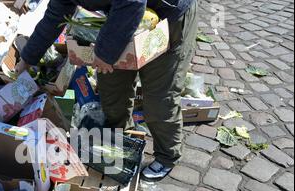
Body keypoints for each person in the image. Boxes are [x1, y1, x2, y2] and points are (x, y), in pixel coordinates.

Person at [15, 0, 198, 179]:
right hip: (119, 19)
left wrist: (104, 54)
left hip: (168, 18)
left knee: (159, 97)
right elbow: (55, 15)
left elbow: (133, 3)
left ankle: (167, 156)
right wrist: (27, 59)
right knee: (112, 89)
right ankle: (123, 140)